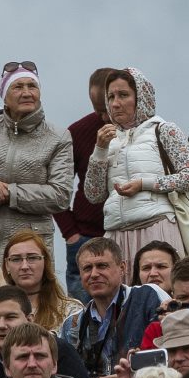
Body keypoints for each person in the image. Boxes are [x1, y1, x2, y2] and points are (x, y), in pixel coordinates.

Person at [0, 61, 73, 263]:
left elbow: (60, 195)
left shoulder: (58, 137)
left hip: (30, 248)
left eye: (32, 86)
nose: (26, 93)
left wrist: (8, 193)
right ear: (4, 96)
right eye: (18, 87)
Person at [84, 67, 189, 268]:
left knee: (160, 285)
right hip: (116, 234)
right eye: (111, 97)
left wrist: (143, 184)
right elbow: (93, 194)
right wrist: (100, 150)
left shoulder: (164, 130)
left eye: (123, 95)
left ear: (141, 97)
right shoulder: (108, 141)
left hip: (157, 228)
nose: (115, 103)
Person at [60, 237, 166, 378]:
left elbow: (169, 354)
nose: (94, 274)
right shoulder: (72, 324)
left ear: (122, 268)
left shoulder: (147, 297)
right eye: (87, 268)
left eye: (102, 266)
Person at [54, 67, 115, 300]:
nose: (104, 117)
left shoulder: (141, 132)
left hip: (129, 231)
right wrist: (70, 233)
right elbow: (57, 186)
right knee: (84, 314)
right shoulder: (77, 132)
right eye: (98, 110)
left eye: (107, 109)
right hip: (86, 236)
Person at [0, 226, 79, 332]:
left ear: (45, 262)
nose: (24, 266)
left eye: (32, 258)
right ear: (7, 265)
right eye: (16, 259)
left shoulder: (71, 311)